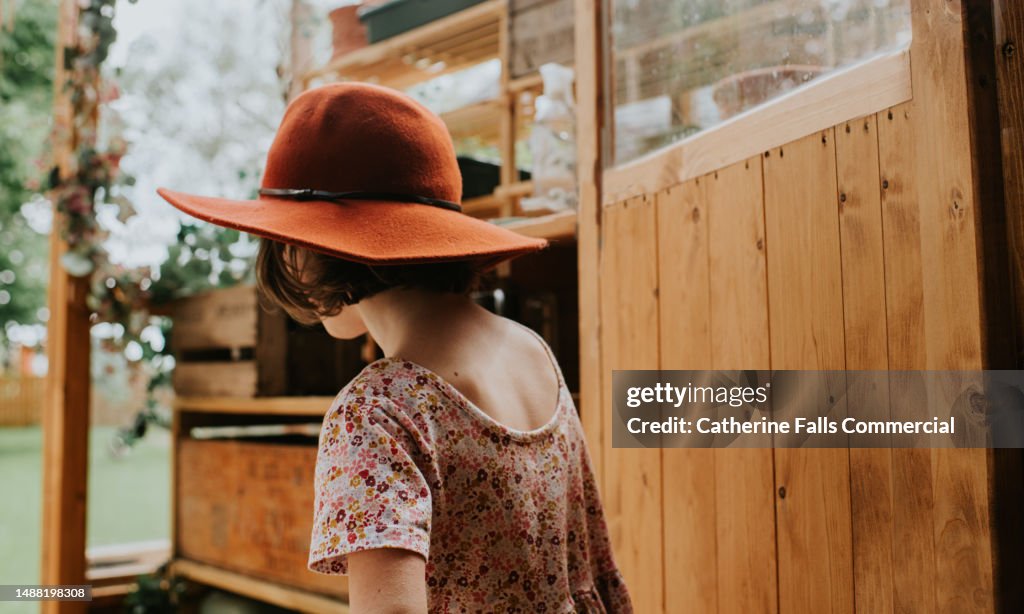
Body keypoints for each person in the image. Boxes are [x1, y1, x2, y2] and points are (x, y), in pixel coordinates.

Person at [157, 82, 631, 612]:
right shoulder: (531, 352)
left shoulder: (377, 413)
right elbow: (594, 573)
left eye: (286, 237)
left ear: (314, 249)